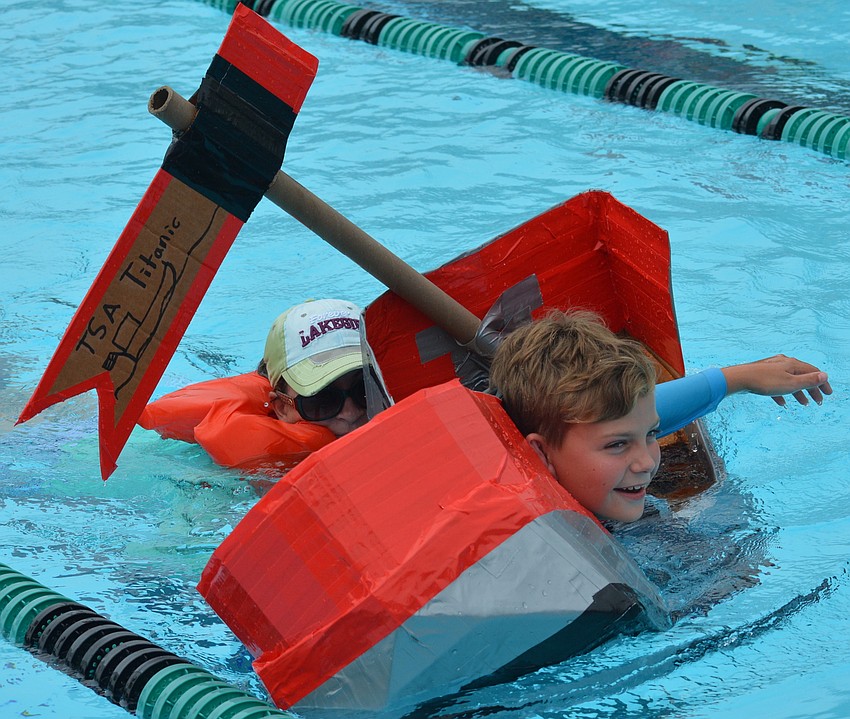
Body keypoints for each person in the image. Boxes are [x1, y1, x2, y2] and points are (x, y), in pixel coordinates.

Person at [488, 309, 832, 523]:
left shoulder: (580, 437)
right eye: (618, 445)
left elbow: (644, 411)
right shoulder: (540, 539)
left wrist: (735, 379)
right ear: (541, 453)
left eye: (651, 433)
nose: (646, 462)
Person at [139, 298, 368, 470]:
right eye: (322, 400)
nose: (351, 413)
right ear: (282, 407)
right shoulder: (210, 472)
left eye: (364, 389)